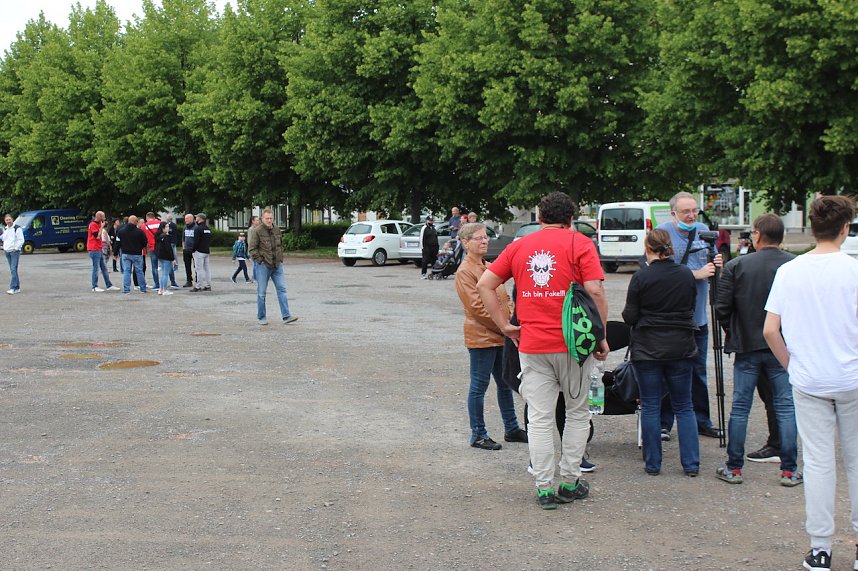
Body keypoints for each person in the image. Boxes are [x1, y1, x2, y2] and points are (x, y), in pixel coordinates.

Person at [477, 191, 608, 510]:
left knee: (539, 418)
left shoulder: (519, 246)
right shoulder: (581, 244)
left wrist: (505, 325)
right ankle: (570, 482)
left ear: (539, 218)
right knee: (576, 413)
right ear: (571, 219)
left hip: (533, 345)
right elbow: (595, 290)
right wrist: (600, 336)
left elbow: (485, 284)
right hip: (575, 346)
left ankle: (544, 487)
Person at [763, 195, 858, 571]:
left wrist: (792, 365)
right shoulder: (853, 270)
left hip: (809, 378)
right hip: (851, 377)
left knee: (818, 462)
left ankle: (821, 548)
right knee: (856, 461)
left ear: (813, 228)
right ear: (845, 229)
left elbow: (770, 330)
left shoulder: (790, 271)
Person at [713, 214, 800, 486]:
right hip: (782, 346)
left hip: (747, 345)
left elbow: (721, 308)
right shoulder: (794, 265)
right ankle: (789, 469)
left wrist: (734, 331)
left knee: (740, 407)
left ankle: (734, 468)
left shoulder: (737, 266)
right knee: (785, 406)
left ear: (758, 235)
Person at [623, 228, 699, 476]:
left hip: (648, 349)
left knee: (650, 405)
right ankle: (691, 463)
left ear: (648, 248)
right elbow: (691, 306)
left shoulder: (641, 277)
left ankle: (653, 463)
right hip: (681, 346)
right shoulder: (685, 274)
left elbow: (630, 316)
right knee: (684, 406)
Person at [454, 222, 526, 450]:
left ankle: (511, 428)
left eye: (485, 237)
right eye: (479, 238)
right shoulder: (465, 272)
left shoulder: (490, 266)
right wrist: (505, 326)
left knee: (505, 384)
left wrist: (510, 320)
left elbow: (505, 298)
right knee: (479, 386)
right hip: (481, 337)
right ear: (466, 243)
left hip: (500, 334)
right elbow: (477, 308)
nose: (485, 241)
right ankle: (478, 434)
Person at [657, 191, 723, 440]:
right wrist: (695, 274)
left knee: (698, 372)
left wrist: (717, 263)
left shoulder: (704, 231)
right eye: (686, 211)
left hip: (698, 319)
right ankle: (664, 423)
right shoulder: (663, 233)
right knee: (667, 372)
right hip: (672, 319)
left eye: (694, 210)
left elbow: (712, 267)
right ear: (673, 213)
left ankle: (702, 421)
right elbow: (660, 271)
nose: (692, 215)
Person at [247, 208, 298, 326]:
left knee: (282, 289)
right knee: (262, 292)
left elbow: (280, 245)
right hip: (264, 265)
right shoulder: (257, 231)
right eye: (267, 218)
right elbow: (252, 248)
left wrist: (280, 258)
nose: (269, 220)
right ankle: (261, 317)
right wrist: (260, 260)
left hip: (277, 264)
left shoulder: (277, 229)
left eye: (271, 218)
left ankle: (286, 315)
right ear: (262, 218)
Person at [87, 211, 118, 292]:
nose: (104, 218)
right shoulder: (93, 225)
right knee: (96, 268)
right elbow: (97, 236)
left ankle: (109, 285)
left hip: (99, 249)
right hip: (94, 249)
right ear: (100, 217)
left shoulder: (98, 224)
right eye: (103, 217)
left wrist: (102, 226)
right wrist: (101, 227)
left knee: (104, 268)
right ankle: (94, 286)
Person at [117, 215, 148, 294]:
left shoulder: (121, 231)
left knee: (127, 271)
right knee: (139, 271)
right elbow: (145, 242)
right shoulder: (140, 232)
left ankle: (126, 289)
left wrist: (115, 253)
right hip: (137, 253)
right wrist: (140, 247)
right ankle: (143, 289)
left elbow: (118, 243)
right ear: (135, 222)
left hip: (125, 253)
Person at [2, 213, 24, 294]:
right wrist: (4, 248)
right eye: (6, 220)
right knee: (13, 270)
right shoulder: (5, 229)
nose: (8, 221)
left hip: (14, 252)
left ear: (12, 219)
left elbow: (21, 240)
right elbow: (4, 239)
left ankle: (12, 288)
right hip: (7, 251)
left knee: (13, 269)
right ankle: (17, 287)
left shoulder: (17, 228)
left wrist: (16, 248)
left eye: (9, 219)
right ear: (5, 221)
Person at [142, 212, 162, 292]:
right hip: (161, 246)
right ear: (154, 217)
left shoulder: (144, 226)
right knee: (166, 264)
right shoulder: (160, 223)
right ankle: (172, 282)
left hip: (152, 247)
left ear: (147, 217)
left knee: (154, 267)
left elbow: (143, 237)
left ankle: (157, 284)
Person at [191, 213, 212, 292]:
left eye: (197, 217)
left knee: (199, 269)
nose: (196, 218)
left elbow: (195, 241)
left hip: (199, 251)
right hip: (206, 250)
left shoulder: (197, 228)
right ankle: (208, 285)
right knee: (207, 269)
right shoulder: (207, 228)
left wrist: (193, 250)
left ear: (200, 218)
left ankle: (198, 286)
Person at [165, 214, 180, 289]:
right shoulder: (172, 225)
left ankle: (175, 264)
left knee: (172, 255)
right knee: (173, 255)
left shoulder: (172, 225)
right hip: (172, 241)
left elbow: (172, 233)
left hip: (171, 242)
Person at [181, 213, 195, 287]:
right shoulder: (185, 227)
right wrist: (184, 248)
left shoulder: (196, 227)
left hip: (194, 250)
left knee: (196, 266)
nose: (185, 220)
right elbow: (183, 239)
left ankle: (198, 280)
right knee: (187, 266)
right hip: (186, 250)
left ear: (192, 219)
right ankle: (189, 280)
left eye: (187, 218)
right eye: (185, 219)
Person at [247, 215, 260, 283]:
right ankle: (255, 278)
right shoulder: (251, 229)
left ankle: (256, 276)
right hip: (253, 250)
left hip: (258, 249)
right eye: (257, 220)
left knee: (257, 264)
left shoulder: (257, 228)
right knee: (255, 264)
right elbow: (249, 241)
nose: (258, 221)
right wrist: (250, 251)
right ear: (253, 221)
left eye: (258, 220)